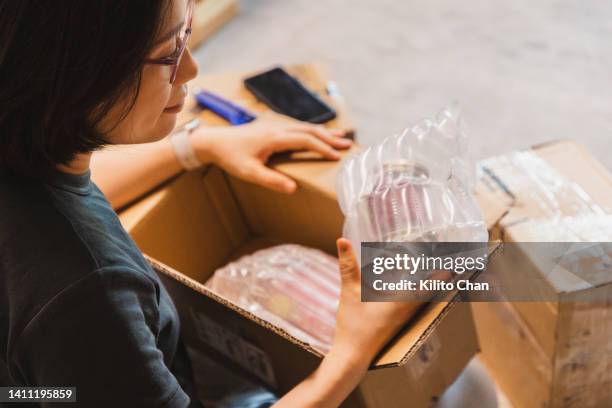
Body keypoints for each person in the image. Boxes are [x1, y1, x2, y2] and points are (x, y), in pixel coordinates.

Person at [0, 1, 422, 407]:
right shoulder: (91, 297)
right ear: (74, 74)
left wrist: (193, 147)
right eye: (169, 53)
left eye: (186, 34)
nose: (192, 69)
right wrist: (350, 353)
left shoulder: (23, 138)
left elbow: (55, 198)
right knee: (464, 391)